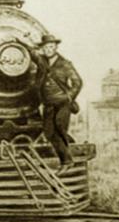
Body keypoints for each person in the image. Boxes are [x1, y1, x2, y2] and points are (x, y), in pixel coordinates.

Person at [33, 33, 82, 174]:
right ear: (43, 48)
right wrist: (20, 41)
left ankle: (66, 161)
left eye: (51, 46)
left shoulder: (65, 64)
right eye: (46, 47)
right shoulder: (42, 61)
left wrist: (69, 97)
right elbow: (32, 54)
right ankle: (66, 160)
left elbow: (77, 82)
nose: (48, 49)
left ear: (55, 47)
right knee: (49, 132)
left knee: (60, 128)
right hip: (48, 103)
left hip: (62, 103)